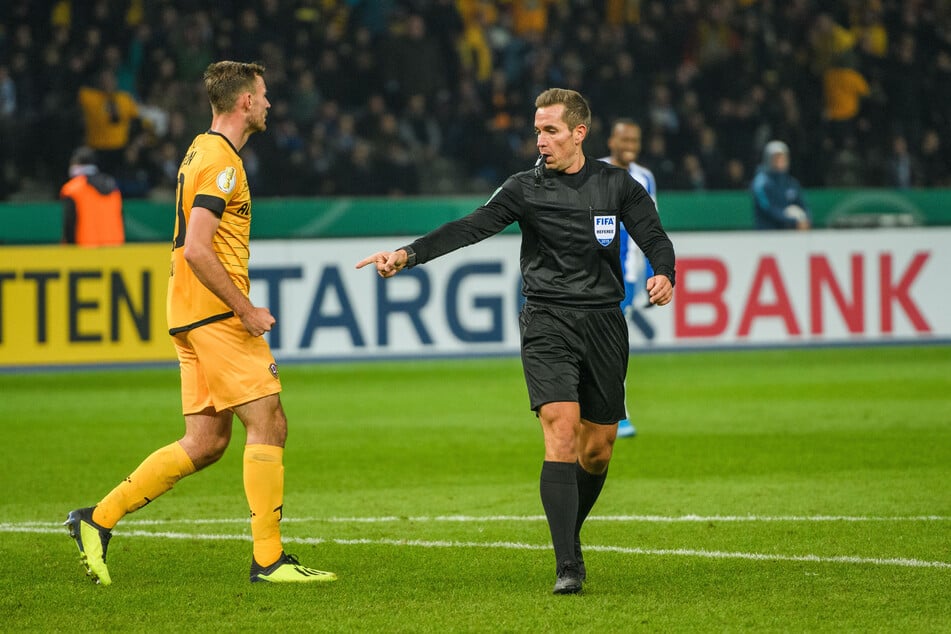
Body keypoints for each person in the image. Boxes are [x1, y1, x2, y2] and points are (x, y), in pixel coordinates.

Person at [356, 88, 675, 595]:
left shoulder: (618, 186)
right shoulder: (524, 188)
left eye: (550, 130)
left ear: (579, 133)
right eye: (537, 130)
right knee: (562, 430)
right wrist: (407, 254)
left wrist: (664, 272)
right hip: (547, 319)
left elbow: (654, 236)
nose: (541, 140)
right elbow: (471, 227)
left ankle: (567, 531)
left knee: (597, 449)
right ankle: (568, 564)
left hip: (604, 323)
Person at [65, 61, 336, 586]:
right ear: (244, 104)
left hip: (188, 313)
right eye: (264, 95)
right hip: (214, 313)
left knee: (206, 441)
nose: (269, 104)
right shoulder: (222, 163)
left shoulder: (200, 148)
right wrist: (246, 310)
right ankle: (269, 559)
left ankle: (96, 520)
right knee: (269, 422)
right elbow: (196, 248)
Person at [598, 118, 658, 439]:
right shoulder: (593, 171)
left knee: (615, 346)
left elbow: (651, 228)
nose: (630, 145)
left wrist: (653, 273)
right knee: (600, 345)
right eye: (625, 139)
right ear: (612, 141)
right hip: (596, 273)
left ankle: (616, 414)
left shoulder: (645, 178)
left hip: (628, 277)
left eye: (635, 140)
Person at [60, 146, 125, 247]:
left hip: (85, 252)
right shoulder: (113, 187)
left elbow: (70, 224)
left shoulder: (73, 189)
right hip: (114, 251)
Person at [751, 140, 812, 230]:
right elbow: (767, 208)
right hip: (767, 234)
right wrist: (791, 220)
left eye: (782, 157)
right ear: (768, 159)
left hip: (791, 234)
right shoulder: (760, 183)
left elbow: (802, 204)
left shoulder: (791, 183)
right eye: (776, 158)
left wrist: (805, 219)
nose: (780, 161)